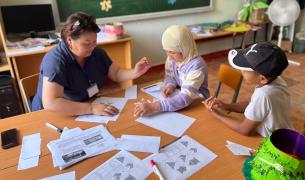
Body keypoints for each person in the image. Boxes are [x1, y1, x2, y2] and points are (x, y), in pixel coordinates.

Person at [32, 12, 151, 116]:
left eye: (95, 41)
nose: (93, 46)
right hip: (53, 114)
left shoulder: (96, 52)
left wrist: (134, 72)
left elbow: (116, 73)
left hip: (84, 106)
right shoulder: (55, 61)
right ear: (69, 40)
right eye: (87, 43)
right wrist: (91, 108)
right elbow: (51, 103)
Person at [203, 42, 293, 137]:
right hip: (283, 135)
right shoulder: (276, 79)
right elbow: (253, 105)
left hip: (269, 143)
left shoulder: (264, 94)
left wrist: (216, 115)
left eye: (245, 70)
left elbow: (245, 130)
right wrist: (226, 106)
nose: (241, 71)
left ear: (262, 79)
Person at [134, 25, 209, 117]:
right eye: (166, 51)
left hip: (200, 104)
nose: (169, 56)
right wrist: (170, 85)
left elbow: (186, 97)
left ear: (184, 49)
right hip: (183, 100)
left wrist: (154, 106)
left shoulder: (197, 66)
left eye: (172, 52)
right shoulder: (173, 59)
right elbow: (170, 76)